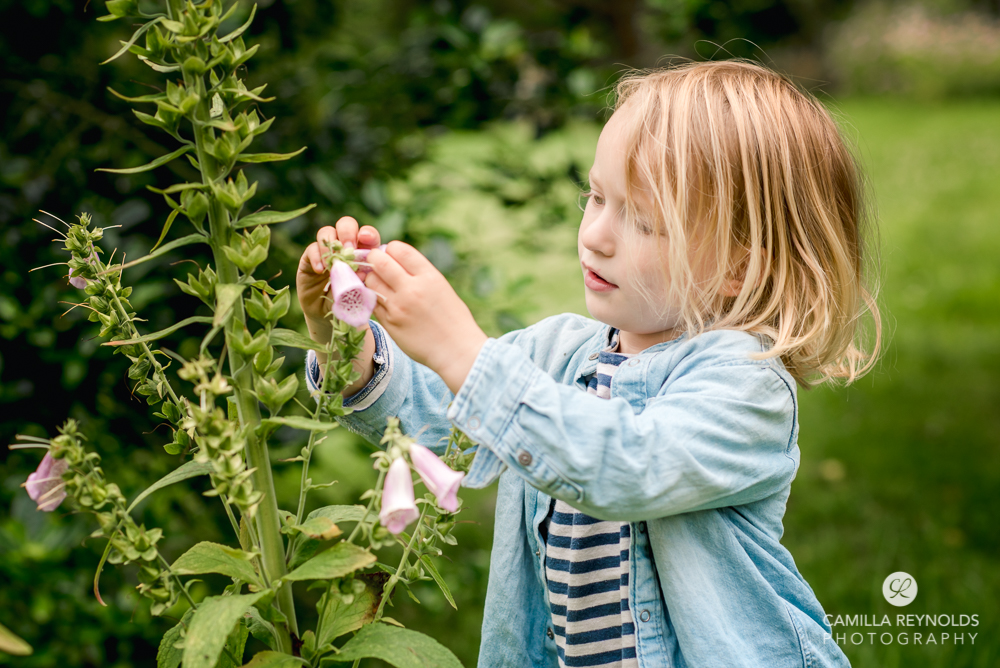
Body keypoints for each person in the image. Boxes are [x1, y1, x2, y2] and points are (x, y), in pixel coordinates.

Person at [295, 59, 879, 668]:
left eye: (644, 220)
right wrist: (345, 341)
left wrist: (462, 351)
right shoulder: (557, 352)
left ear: (739, 267)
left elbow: (625, 466)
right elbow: (434, 419)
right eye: (595, 196)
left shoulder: (746, 386)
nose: (596, 234)